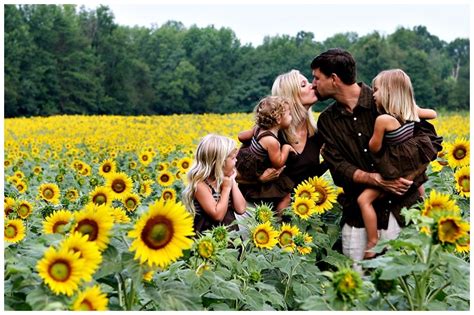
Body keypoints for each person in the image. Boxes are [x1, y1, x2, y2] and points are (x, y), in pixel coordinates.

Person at [311, 48, 442, 262]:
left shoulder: (384, 100)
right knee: (358, 284)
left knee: (402, 285)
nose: (314, 83)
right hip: (358, 218)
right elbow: (338, 167)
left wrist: (404, 177)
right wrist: (378, 181)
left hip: (403, 211)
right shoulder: (327, 121)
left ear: (334, 79)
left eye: (316, 78)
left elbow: (429, 141)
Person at [358, 69, 438, 259]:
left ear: (388, 92)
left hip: (393, 170)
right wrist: (414, 109)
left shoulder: (383, 120)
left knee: (364, 200)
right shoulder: (412, 112)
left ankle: (372, 240)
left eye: (376, 90)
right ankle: (426, 216)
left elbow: (374, 148)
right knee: (418, 188)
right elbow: (433, 114)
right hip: (412, 166)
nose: (373, 95)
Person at [238, 70, 328, 190]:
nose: (313, 85)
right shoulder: (268, 133)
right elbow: (233, 174)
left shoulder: (316, 134)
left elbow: (310, 176)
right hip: (265, 206)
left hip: (303, 205)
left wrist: (329, 160)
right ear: (290, 96)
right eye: (303, 85)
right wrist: (259, 180)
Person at [236, 96, 296, 218]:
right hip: (257, 172)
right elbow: (278, 163)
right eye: (289, 114)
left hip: (244, 165)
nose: (291, 117)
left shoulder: (258, 129)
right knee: (286, 195)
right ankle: (279, 221)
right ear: (279, 119)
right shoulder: (272, 141)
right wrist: (286, 148)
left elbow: (241, 136)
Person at [182, 134, 247, 233]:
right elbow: (217, 216)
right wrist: (226, 189)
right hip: (209, 241)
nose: (236, 161)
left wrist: (232, 182)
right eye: (233, 158)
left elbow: (241, 208)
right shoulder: (200, 185)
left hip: (230, 240)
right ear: (220, 162)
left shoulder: (226, 181)